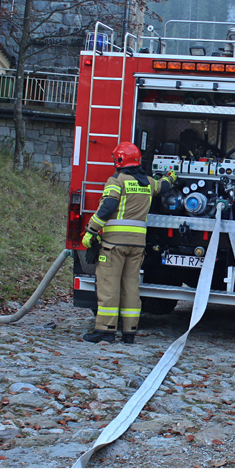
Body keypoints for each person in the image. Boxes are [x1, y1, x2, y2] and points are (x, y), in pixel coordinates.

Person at [81, 142, 176, 343]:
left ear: (120, 160)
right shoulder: (148, 183)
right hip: (137, 246)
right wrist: (170, 176)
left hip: (114, 245)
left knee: (109, 285)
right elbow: (163, 186)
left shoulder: (116, 181)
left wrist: (91, 230)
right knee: (131, 286)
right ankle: (129, 331)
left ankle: (105, 330)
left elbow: (107, 207)